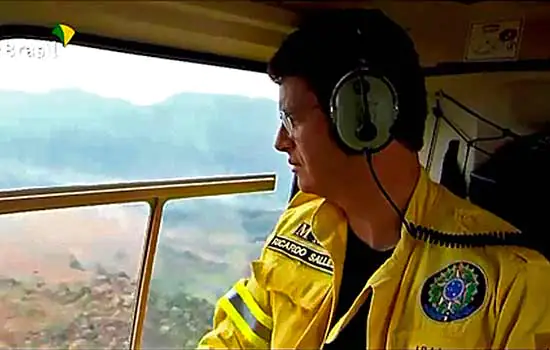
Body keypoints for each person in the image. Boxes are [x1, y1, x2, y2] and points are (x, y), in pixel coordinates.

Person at [197, 9, 550, 349]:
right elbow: (238, 339)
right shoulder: (298, 225)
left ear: (362, 119)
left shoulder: (515, 281)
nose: (280, 140)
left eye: (292, 119)